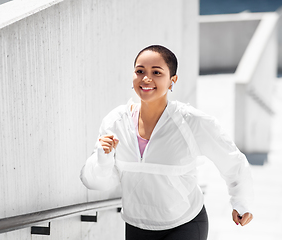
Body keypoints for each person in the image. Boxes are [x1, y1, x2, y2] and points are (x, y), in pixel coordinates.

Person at [80, 45, 253, 240]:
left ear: (172, 80)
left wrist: (241, 202)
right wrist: (103, 159)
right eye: (140, 71)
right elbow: (95, 182)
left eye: (156, 72)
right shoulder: (116, 122)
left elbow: (232, 161)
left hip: (185, 224)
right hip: (137, 225)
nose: (146, 78)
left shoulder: (191, 121)